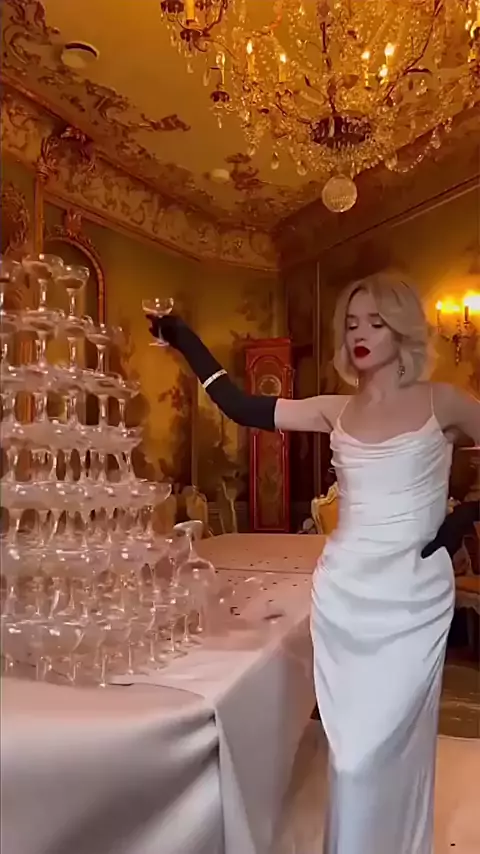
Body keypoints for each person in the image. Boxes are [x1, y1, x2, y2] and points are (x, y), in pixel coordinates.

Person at [147, 271, 480, 854]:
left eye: (375, 322)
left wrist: (469, 514)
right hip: (344, 597)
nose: (360, 334)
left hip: (414, 599)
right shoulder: (334, 409)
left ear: (402, 329)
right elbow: (239, 405)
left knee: (384, 749)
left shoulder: (443, 402)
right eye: (351, 323)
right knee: (350, 757)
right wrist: (184, 338)